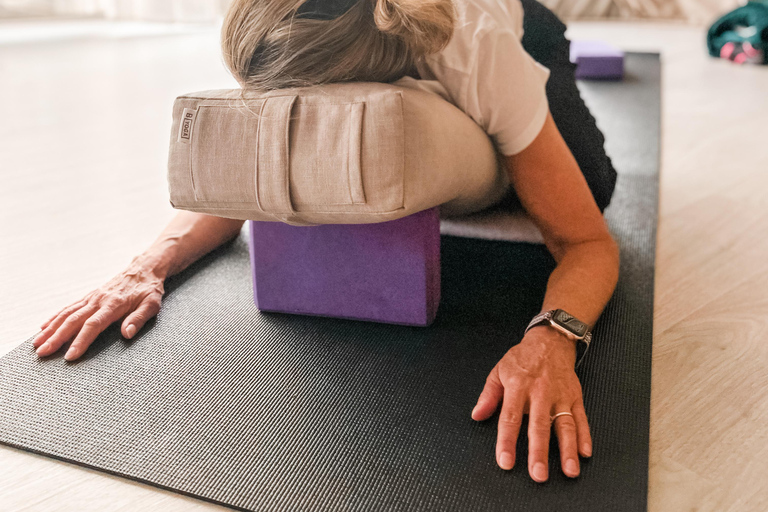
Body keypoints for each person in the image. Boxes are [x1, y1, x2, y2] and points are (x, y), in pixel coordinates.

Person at [32, 0, 620, 484]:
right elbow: (247, 179)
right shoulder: (269, 19)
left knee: (590, 184)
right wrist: (147, 265)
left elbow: (586, 242)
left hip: (524, 26)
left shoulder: (476, 47)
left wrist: (554, 337)